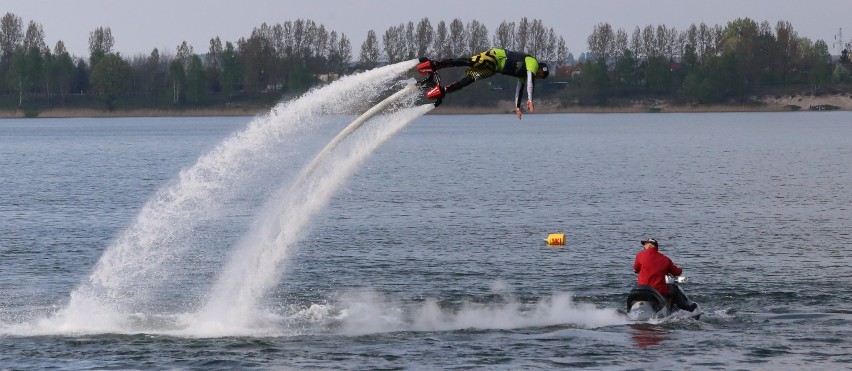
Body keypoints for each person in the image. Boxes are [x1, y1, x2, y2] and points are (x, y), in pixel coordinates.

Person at [417, 48, 549, 119]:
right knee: (471, 62)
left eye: (541, 77)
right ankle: (438, 64)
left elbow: (519, 89)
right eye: (541, 74)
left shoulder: (524, 76)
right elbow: (531, 82)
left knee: (471, 79)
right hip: (495, 56)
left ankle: (444, 90)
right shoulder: (533, 62)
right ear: (541, 69)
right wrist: (530, 100)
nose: (539, 77)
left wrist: (518, 107)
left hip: (494, 70)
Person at [633, 238, 697, 312]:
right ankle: (685, 307)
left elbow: (636, 269)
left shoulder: (640, 255)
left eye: (645, 244)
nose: (644, 246)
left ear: (650, 245)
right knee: (675, 289)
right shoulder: (665, 259)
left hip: (641, 288)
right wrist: (680, 269)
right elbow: (677, 272)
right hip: (658, 289)